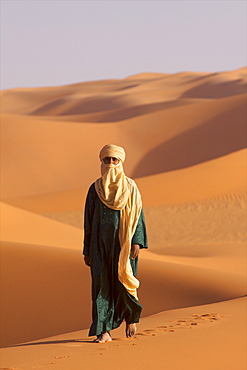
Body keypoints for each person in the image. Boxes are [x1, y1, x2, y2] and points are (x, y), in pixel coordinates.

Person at [82, 144, 148, 343]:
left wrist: (137, 241)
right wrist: (87, 250)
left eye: (114, 160)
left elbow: (138, 216)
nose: (110, 164)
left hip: (124, 246)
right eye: (106, 160)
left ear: (121, 162)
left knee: (124, 282)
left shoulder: (131, 187)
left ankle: (130, 318)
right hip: (99, 246)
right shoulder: (95, 189)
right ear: (101, 162)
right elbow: (88, 221)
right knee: (101, 288)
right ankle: (104, 331)